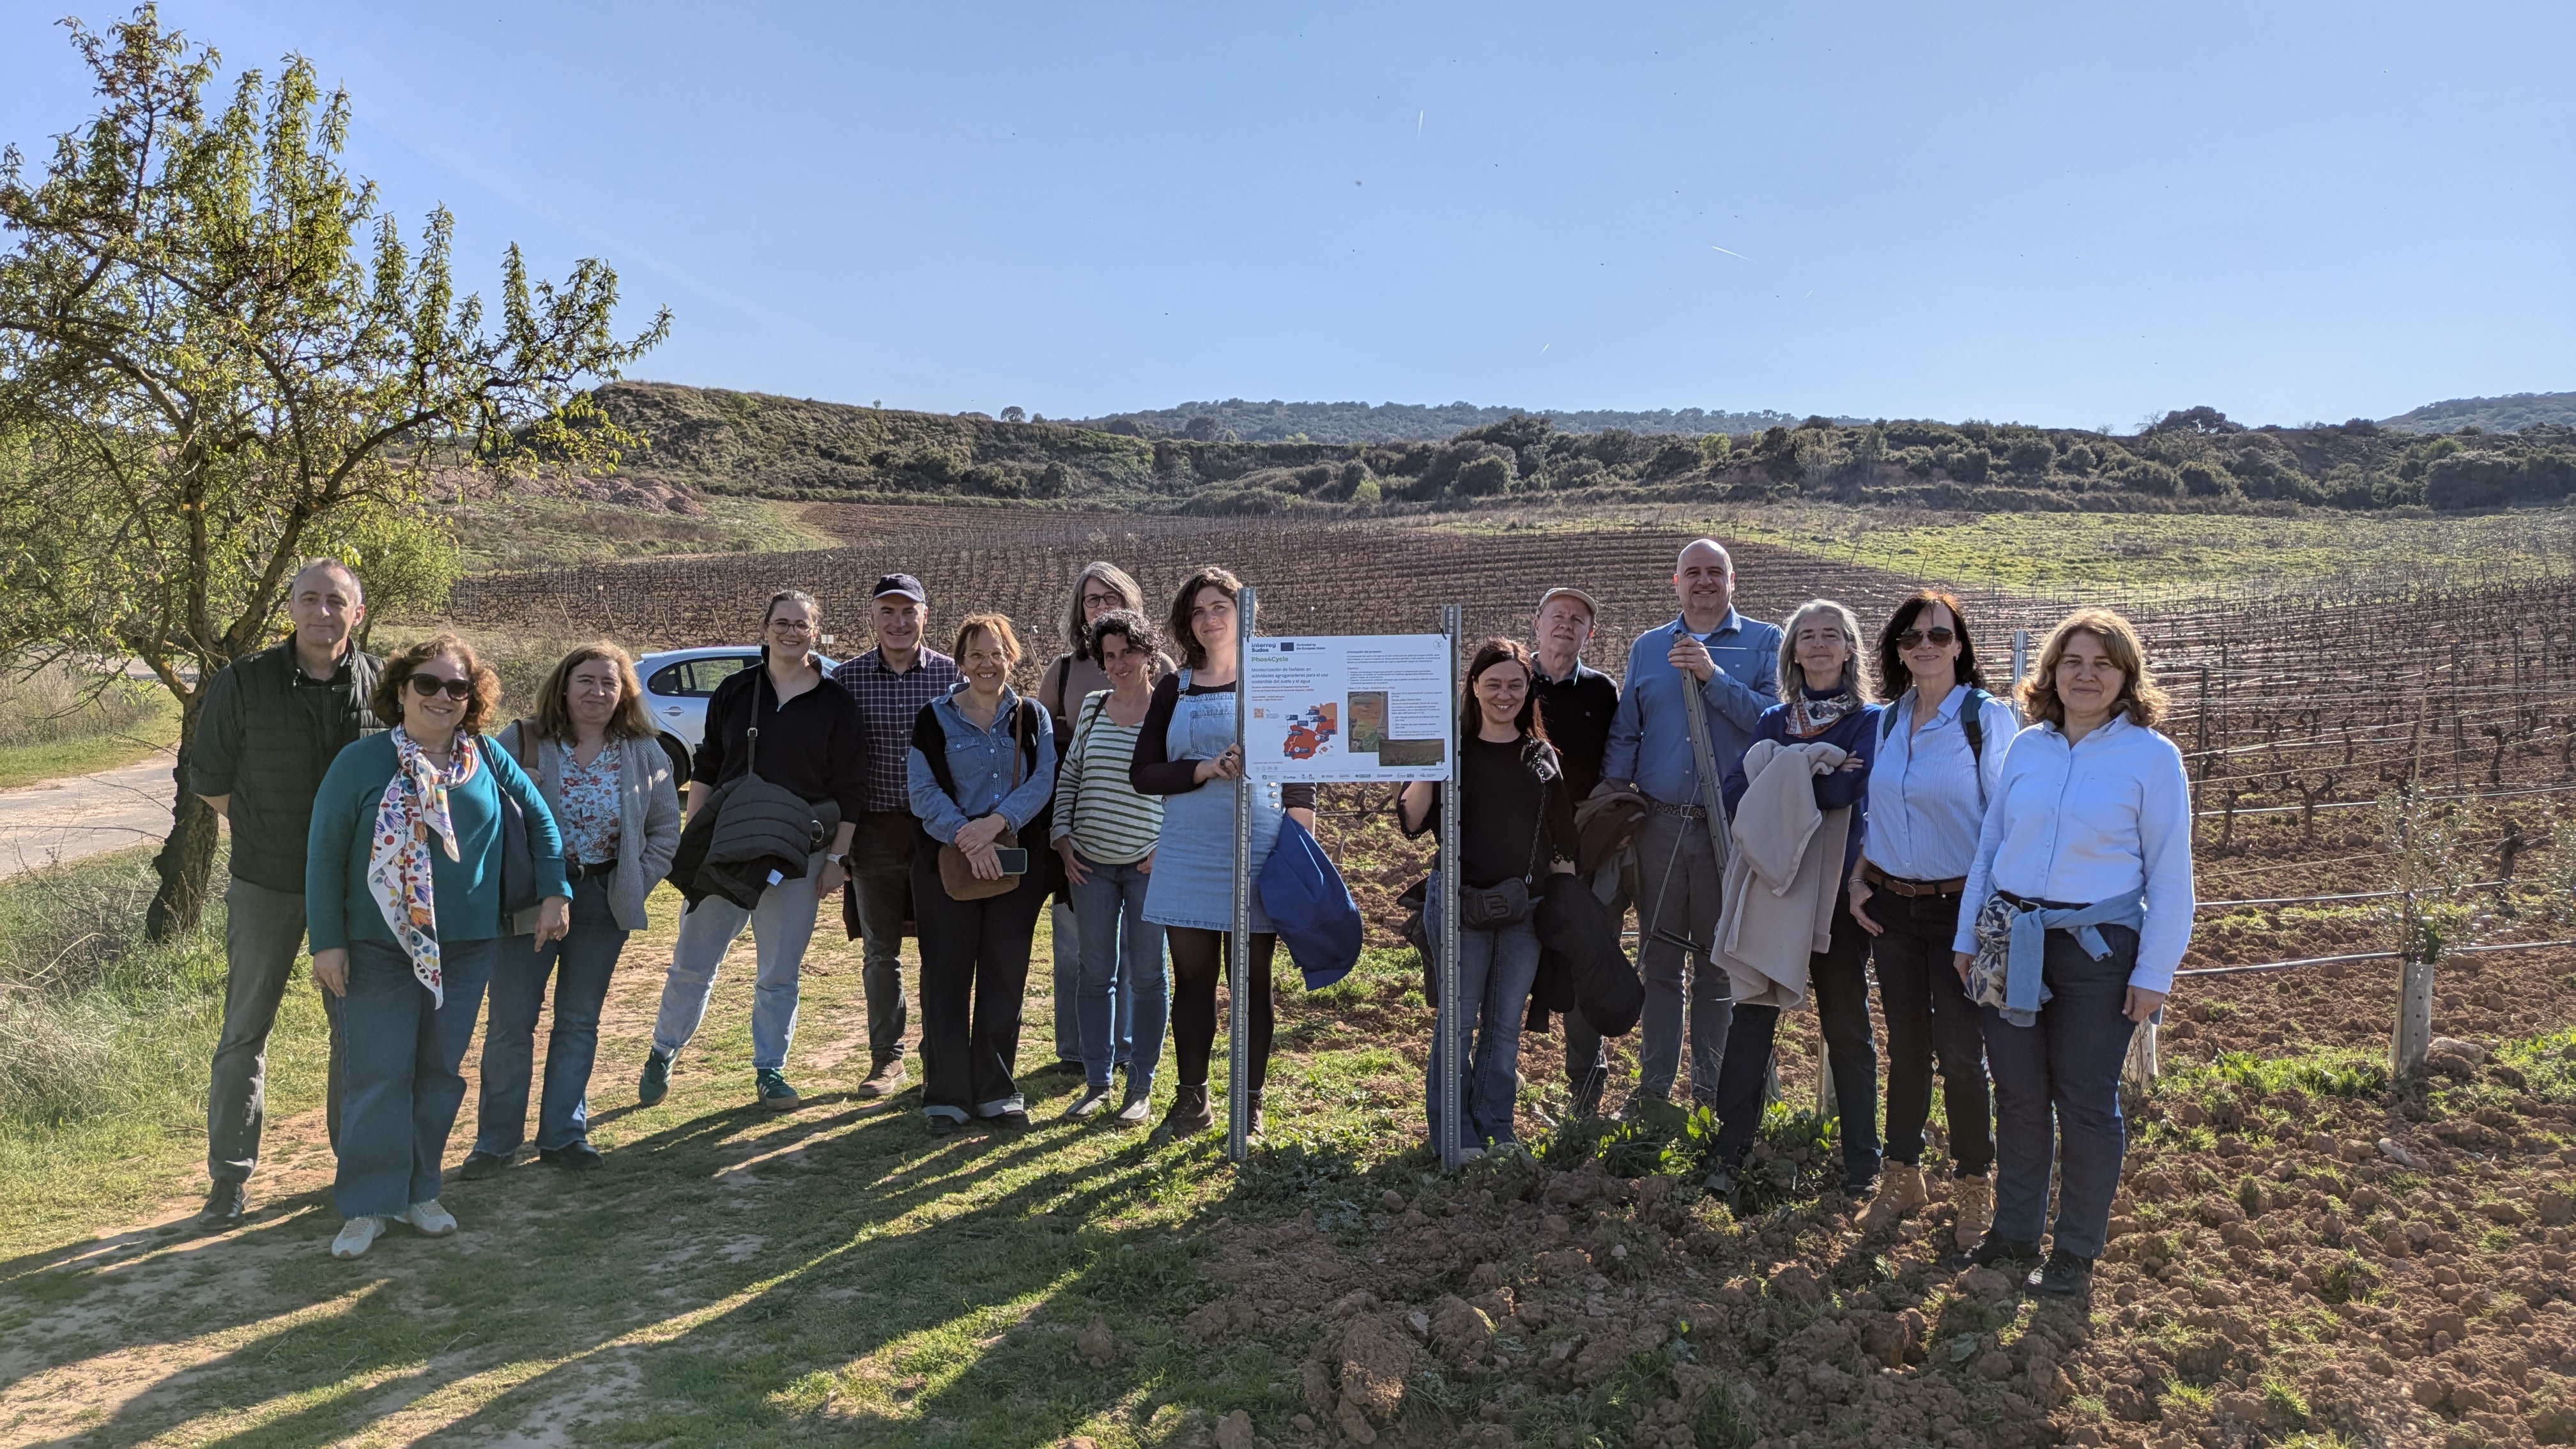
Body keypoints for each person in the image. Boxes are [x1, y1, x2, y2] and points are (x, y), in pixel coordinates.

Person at [1952, 608, 2192, 1297]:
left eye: (2103, 663)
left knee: (2086, 1101)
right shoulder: (2028, 749)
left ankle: (2076, 1251)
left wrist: (2154, 975)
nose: (2086, 675)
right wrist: (1969, 938)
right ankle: (2014, 1234)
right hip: (2011, 940)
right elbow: (1991, 851)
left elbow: (2172, 875)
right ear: (2051, 671)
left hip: (2098, 953)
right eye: (2073, 661)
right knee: (2019, 1096)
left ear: (2126, 677)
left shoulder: (2152, 758)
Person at [305, 636, 568, 1259]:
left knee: (437, 1073)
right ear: (401, 691)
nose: (444, 697)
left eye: (459, 688)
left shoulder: (485, 759)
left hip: (466, 947)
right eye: (429, 684)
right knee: (376, 1076)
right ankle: (370, 1205)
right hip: (375, 947)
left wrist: (556, 892)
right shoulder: (360, 763)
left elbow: (542, 821)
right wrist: (328, 943)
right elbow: (323, 856)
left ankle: (421, 1191)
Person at [191, 559, 382, 1227]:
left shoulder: (382, 685)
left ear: (356, 613)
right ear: (291, 608)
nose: (321, 612)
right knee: (244, 1030)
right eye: (309, 599)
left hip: (357, 891)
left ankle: (352, 1169)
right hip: (265, 882)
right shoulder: (242, 682)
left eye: (336, 601)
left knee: (352, 1033)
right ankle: (229, 1179)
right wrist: (266, 831)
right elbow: (209, 777)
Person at [464, 644, 681, 1177]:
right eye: (586, 681)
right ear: (563, 686)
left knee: (579, 1021)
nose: (598, 692)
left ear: (624, 693)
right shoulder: (523, 741)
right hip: (527, 901)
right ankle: (495, 1142)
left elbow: (664, 831)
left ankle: (564, 1134)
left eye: (610, 683)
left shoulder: (644, 751)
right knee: (512, 1022)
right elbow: (480, 815)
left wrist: (633, 882)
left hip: (601, 903)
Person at [644, 591, 865, 1112]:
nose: (791, 633)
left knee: (779, 973)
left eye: (802, 625)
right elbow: (707, 765)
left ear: (817, 632)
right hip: (729, 846)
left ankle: (770, 1070)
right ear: (765, 628)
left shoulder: (837, 702)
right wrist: (697, 837)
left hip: (800, 852)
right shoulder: (736, 690)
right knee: (693, 962)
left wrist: (837, 859)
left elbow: (852, 785)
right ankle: (662, 1050)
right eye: (782, 623)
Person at [1847, 592, 2019, 1243]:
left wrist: (1983, 919)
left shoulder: (1985, 719)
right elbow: (1881, 814)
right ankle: (1903, 1174)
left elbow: (2006, 822)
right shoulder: (1888, 722)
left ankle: (1976, 1184)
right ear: (1896, 648)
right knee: (1908, 1051)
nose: (1926, 645)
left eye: (1939, 636)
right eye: (1913, 636)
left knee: (1960, 1054)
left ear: (1960, 646)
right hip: (1893, 909)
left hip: (1960, 911)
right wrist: (1861, 879)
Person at [1131, 566, 1318, 1140]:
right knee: (1192, 982)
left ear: (1243, 614)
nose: (1209, 619)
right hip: (1189, 849)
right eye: (1198, 611)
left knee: (1251, 982)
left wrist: (1302, 831)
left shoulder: (1273, 680)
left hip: (1256, 847)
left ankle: (1251, 1105)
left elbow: (1302, 760)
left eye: (1220, 607)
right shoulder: (1175, 687)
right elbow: (1143, 773)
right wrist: (1203, 769)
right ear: (1187, 624)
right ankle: (1192, 1102)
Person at [1600, 539, 1782, 1116]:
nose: (1703, 582)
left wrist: (1713, 677)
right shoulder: (1649, 647)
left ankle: (1711, 1091)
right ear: (1675, 582)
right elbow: (1628, 729)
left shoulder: (1765, 643)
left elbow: (1774, 724)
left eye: (1715, 573)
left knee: (1716, 965)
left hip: (1729, 830)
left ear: (1733, 581)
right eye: (1692, 573)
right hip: (1658, 825)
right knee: (1658, 962)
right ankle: (1654, 1090)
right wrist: (1615, 801)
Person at [1707, 601, 1882, 1200]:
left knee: (1847, 1024)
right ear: (1792, 652)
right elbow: (1735, 792)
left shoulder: (1869, 721)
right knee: (1752, 1017)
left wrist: (1780, 775)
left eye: (1831, 635)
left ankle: (1864, 1164)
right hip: (1773, 887)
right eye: (1806, 636)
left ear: (1850, 649)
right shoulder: (1775, 719)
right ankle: (1729, 1154)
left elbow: (1851, 785)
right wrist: (1809, 770)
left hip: (1836, 891)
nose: (1818, 645)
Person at [1399, 638, 1579, 1154]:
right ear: (1474, 687)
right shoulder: (1450, 750)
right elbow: (1411, 822)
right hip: (1458, 903)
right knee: (1457, 1023)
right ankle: (1451, 1134)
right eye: (1493, 684)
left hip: (1525, 909)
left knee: (1503, 1026)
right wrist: (1428, 764)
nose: (1504, 694)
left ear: (1528, 691)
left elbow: (1563, 837)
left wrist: (1564, 902)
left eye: (1515, 685)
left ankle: (1496, 1126)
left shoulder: (1541, 758)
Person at [908, 615, 1057, 1135]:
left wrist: (995, 826)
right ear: (960, 662)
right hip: (948, 865)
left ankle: (996, 1090)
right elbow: (922, 791)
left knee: (1004, 977)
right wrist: (966, 836)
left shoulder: (1033, 718)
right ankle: (945, 1095)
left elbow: (1044, 782)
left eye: (997, 654)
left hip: (1014, 867)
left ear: (1012, 658)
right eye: (976, 655)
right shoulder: (933, 719)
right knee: (945, 978)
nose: (987, 664)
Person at [832, 574, 960, 1099]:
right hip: (874, 833)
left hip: (939, 833)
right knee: (880, 952)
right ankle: (887, 1059)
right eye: (888, 611)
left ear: (925, 617)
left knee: (942, 946)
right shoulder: (847, 679)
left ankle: (940, 1053)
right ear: (873, 618)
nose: (899, 622)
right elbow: (835, 762)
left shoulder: (954, 677)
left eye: (909, 612)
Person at [1033, 562, 1162, 1078]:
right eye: (1092, 600)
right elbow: (1045, 753)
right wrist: (1058, 833)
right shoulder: (1065, 674)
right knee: (1079, 952)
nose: (1102, 606)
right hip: (1085, 836)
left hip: (1143, 842)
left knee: (1140, 957)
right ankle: (1079, 1052)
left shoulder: (1166, 677)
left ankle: (1128, 1050)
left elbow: (1176, 762)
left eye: (1112, 597)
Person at [1050, 609, 1170, 1124]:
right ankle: (1098, 1082)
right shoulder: (1096, 706)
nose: (1120, 664)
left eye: (1129, 652)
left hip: (1149, 867)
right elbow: (1072, 775)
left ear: (1148, 654)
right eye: (1110, 656)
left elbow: (1185, 783)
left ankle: (1140, 1086)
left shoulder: (1170, 712)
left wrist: (1168, 845)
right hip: (1090, 864)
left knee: (1147, 975)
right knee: (1095, 973)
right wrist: (1061, 835)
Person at [1526, 586, 1621, 1117]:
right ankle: (1495, 1084)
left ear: (1591, 633)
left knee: (1586, 958)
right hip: (1518, 846)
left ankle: (1586, 1088)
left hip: (1583, 848)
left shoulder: (1603, 692)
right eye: (1557, 615)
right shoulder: (1513, 680)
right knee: (1511, 961)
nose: (1566, 624)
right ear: (1537, 623)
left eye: (1578, 618)